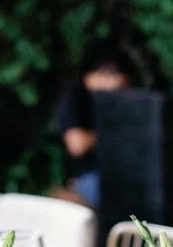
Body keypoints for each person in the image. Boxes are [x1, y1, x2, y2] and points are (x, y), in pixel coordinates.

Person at [52, 43, 133, 207]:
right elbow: (77, 145)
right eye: (106, 73)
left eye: (116, 73)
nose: (113, 81)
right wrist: (114, 134)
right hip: (89, 176)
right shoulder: (76, 98)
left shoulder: (128, 101)